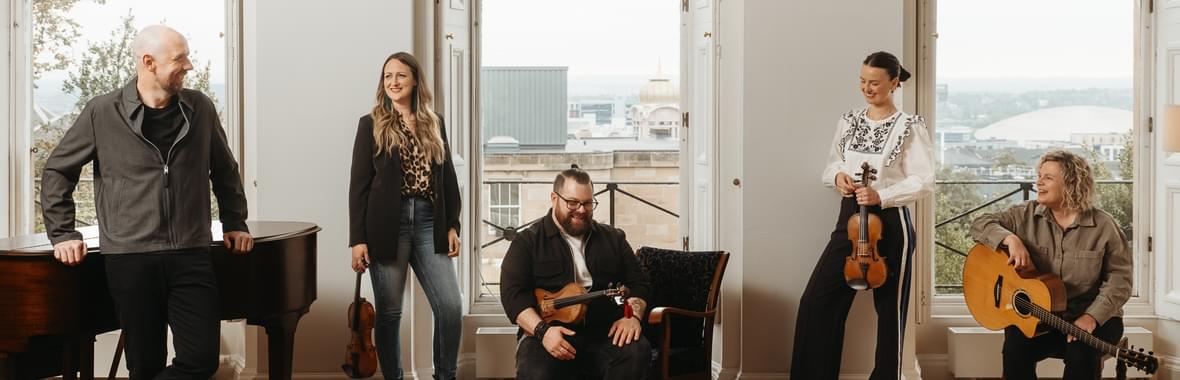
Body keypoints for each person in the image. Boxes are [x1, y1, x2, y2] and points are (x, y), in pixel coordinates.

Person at [40, 25, 253, 379]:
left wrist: (235, 222)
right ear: (149, 62)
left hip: (191, 253)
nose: (188, 65)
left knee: (201, 361)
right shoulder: (102, 112)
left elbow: (225, 169)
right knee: (145, 364)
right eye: (180, 58)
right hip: (130, 258)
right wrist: (62, 233)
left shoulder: (200, 107)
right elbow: (58, 170)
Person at [790, 51, 934, 380]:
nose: (867, 88)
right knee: (815, 303)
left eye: (875, 82)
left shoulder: (910, 126)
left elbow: (923, 180)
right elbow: (833, 163)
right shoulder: (850, 120)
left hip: (892, 223)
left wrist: (881, 195)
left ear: (894, 83)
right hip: (851, 218)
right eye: (862, 81)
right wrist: (839, 177)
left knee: (890, 315)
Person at [349, 51, 463, 380]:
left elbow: (448, 179)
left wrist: (452, 225)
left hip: (430, 222)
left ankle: (445, 375)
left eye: (400, 75)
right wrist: (357, 239)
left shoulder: (434, 121)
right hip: (388, 226)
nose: (393, 82)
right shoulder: (370, 124)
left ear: (414, 80)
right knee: (389, 313)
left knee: (450, 307)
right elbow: (358, 186)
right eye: (388, 76)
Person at [970, 150, 1131, 380]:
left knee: (1081, 355)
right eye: (1039, 175)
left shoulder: (1104, 226)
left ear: (1071, 183)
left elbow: (1121, 280)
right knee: (1016, 349)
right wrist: (1010, 239)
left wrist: (1091, 317)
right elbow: (979, 224)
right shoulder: (1024, 214)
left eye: (1048, 177)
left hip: (1095, 318)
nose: (1039, 182)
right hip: (1041, 317)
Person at [499, 165, 651, 379]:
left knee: (637, 352)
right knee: (535, 371)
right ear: (554, 198)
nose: (581, 209)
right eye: (572, 202)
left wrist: (633, 317)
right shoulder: (527, 242)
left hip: (606, 332)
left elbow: (639, 283)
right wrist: (543, 332)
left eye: (588, 203)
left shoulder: (614, 238)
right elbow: (513, 297)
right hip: (548, 332)